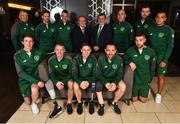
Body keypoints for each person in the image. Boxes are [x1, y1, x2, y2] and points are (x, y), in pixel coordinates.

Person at [148, 11, 174, 104]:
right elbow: (147, 43)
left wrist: (165, 60)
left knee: (160, 75)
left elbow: (170, 46)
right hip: (150, 56)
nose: (159, 19)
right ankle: (146, 89)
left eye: (162, 17)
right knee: (148, 74)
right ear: (155, 18)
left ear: (165, 19)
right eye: (158, 17)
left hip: (162, 56)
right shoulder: (150, 28)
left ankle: (159, 94)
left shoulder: (169, 30)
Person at [14, 33, 44, 114]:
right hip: (24, 79)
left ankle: (34, 104)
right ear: (22, 42)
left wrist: (40, 80)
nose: (28, 43)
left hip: (35, 77)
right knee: (27, 102)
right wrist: (37, 82)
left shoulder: (39, 52)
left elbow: (45, 63)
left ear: (33, 43)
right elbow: (20, 73)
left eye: (30, 41)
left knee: (34, 90)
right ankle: (29, 95)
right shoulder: (17, 55)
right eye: (26, 41)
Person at [124, 33, 156, 103]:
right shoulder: (130, 50)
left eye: (140, 40)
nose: (138, 42)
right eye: (136, 40)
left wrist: (149, 80)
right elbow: (124, 59)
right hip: (135, 80)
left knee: (143, 100)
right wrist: (129, 62)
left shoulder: (151, 52)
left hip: (145, 80)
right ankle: (135, 93)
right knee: (134, 100)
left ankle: (147, 90)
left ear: (144, 40)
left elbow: (153, 67)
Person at [96, 42, 126, 116]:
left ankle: (114, 103)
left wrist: (115, 83)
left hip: (114, 78)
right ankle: (102, 105)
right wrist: (106, 83)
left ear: (115, 51)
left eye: (112, 50)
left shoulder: (119, 59)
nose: (110, 52)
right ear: (105, 50)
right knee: (97, 85)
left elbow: (120, 73)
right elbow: (98, 73)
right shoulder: (101, 58)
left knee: (123, 86)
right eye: (108, 50)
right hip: (103, 78)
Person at [49, 43, 74, 115]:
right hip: (57, 79)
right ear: (54, 51)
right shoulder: (51, 60)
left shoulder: (68, 59)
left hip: (66, 78)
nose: (59, 52)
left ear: (64, 51)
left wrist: (62, 82)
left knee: (71, 83)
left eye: (61, 50)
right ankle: (55, 105)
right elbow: (51, 74)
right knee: (48, 83)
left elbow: (70, 74)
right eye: (57, 50)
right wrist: (56, 82)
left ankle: (69, 103)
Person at [72, 43, 97, 114]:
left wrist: (88, 82)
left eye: (88, 50)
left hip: (90, 79)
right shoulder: (76, 59)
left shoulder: (93, 59)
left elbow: (95, 74)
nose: (86, 52)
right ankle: (79, 103)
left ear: (91, 50)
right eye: (84, 50)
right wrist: (80, 82)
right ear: (81, 50)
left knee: (94, 84)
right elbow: (74, 73)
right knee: (75, 85)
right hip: (80, 79)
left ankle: (91, 102)